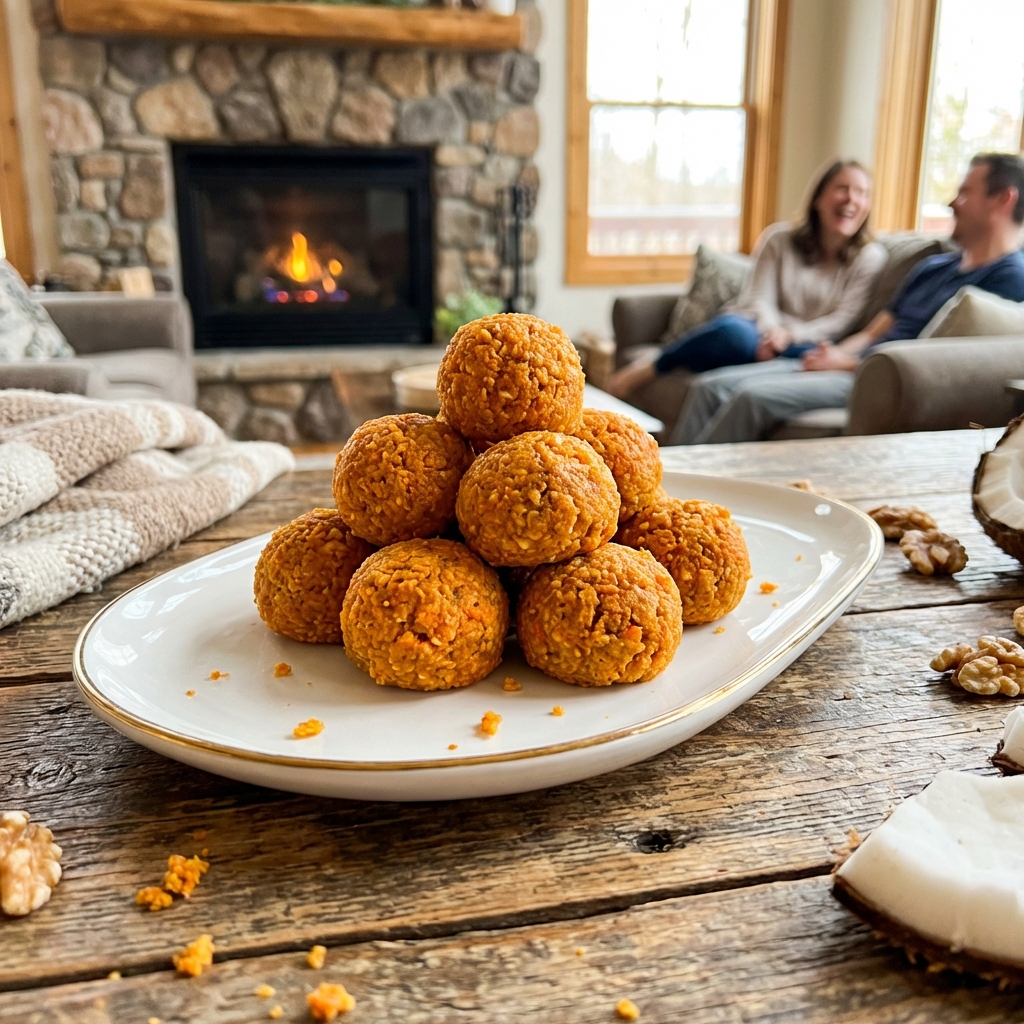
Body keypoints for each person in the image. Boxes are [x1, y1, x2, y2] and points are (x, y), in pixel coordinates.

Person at [669, 152, 1024, 445]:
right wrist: (836, 353)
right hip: (852, 363)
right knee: (709, 387)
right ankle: (659, 495)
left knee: (749, 399)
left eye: (964, 192)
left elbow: (943, 365)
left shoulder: (1010, 278)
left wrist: (848, 363)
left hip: (882, 380)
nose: (952, 202)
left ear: (1003, 199)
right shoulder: (933, 266)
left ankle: (695, 510)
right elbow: (873, 332)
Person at [607, 161, 887, 398]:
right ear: (818, 198)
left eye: (862, 193)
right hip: (756, 327)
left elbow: (843, 319)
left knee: (807, 357)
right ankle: (653, 365)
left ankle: (716, 363)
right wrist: (772, 332)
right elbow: (758, 297)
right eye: (843, 188)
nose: (852, 199)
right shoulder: (779, 239)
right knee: (732, 335)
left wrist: (789, 336)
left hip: (807, 341)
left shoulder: (870, 258)